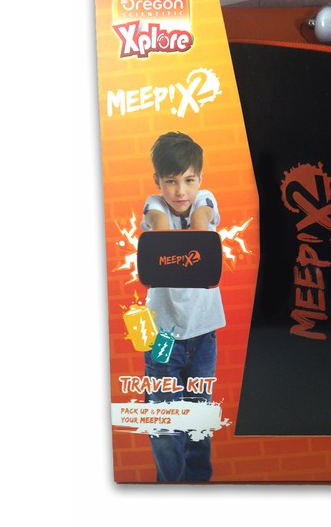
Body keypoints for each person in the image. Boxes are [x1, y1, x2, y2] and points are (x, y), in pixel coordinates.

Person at [140, 131, 225, 482]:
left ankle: (196, 485)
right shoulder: (154, 206)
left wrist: (198, 217)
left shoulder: (205, 199)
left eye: (189, 180)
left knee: (198, 419)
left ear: (200, 178)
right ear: (157, 181)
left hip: (203, 333)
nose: (180, 191)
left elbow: (203, 220)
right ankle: (170, 488)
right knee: (163, 420)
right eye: (171, 181)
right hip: (164, 335)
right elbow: (158, 227)